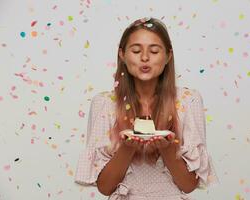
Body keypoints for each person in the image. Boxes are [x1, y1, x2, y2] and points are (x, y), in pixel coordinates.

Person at [74, 16, 219, 199]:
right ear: (122, 55)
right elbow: (105, 187)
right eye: (136, 51)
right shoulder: (104, 104)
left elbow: (188, 185)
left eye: (154, 51)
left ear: (168, 56)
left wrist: (167, 148)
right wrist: (127, 147)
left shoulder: (188, 101)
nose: (144, 58)